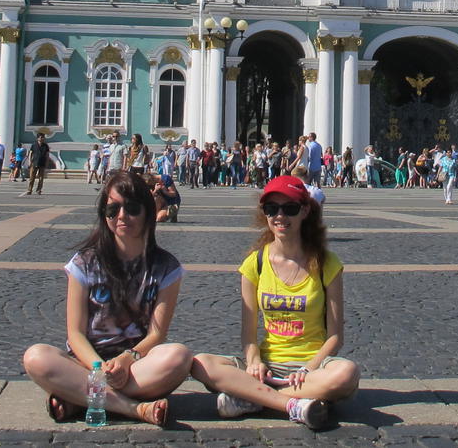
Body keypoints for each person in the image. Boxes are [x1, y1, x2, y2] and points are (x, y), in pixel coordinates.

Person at [189, 175, 359, 430]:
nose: (280, 217)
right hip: (268, 366)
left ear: (304, 211)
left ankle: (254, 397)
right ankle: (293, 403)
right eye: (271, 209)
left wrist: (308, 369)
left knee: (347, 374)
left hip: (310, 368)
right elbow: (248, 337)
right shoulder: (254, 264)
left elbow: (335, 338)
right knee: (200, 363)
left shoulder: (326, 264)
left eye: (289, 209)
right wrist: (255, 361)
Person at [23, 171, 189, 427]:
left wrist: (126, 359)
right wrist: (99, 370)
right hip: (87, 363)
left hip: (135, 366)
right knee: (35, 357)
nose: (122, 216)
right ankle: (134, 409)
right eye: (113, 210)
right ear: (105, 215)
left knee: (179, 357)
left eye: (131, 208)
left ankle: (78, 398)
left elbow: (157, 335)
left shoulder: (167, 268)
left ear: (147, 211)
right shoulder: (84, 263)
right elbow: (75, 333)